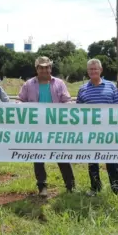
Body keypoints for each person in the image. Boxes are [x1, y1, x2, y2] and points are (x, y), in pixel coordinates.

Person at [18, 56, 75, 197]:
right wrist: (19, 105)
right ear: (36, 69)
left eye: (47, 67)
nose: (44, 70)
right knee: (38, 157)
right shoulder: (28, 84)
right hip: (36, 128)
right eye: (41, 67)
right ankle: (42, 186)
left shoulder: (59, 83)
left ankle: (70, 186)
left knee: (62, 156)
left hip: (56, 127)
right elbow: (20, 99)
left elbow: (67, 100)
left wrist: (67, 106)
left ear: (50, 68)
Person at [76, 58, 118, 197]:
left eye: (95, 69)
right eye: (90, 69)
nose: (93, 71)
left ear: (101, 70)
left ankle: (117, 189)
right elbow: (78, 112)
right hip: (91, 133)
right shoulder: (82, 89)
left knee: (112, 161)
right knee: (92, 161)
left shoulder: (111, 86)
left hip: (109, 132)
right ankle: (95, 188)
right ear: (87, 71)